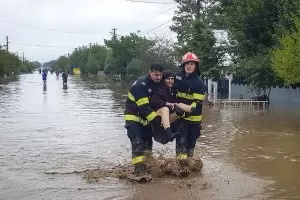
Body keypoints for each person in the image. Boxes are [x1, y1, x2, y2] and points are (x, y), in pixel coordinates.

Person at [124, 64, 167, 175]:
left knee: (148, 145)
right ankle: (139, 172)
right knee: (137, 143)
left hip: (146, 120)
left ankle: (148, 168)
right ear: (149, 72)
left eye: (160, 75)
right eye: (156, 74)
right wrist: (157, 121)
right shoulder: (140, 85)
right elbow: (144, 108)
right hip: (133, 118)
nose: (158, 77)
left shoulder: (159, 84)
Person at [173, 52, 207, 161]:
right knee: (181, 144)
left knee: (190, 148)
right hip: (181, 119)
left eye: (192, 63)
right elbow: (168, 92)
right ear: (183, 65)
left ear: (196, 66)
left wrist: (182, 107)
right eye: (187, 63)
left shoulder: (199, 84)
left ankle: (189, 167)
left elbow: (196, 106)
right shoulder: (176, 77)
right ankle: (180, 169)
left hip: (194, 121)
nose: (189, 66)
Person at [150, 70, 182, 142]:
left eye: (172, 79)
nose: (170, 81)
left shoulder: (172, 90)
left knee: (179, 111)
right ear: (163, 80)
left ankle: (174, 131)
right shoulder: (160, 89)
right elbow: (153, 101)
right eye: (168, 79)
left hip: (165, 119)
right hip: (156, 116)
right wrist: (167, 103)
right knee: (165, 109)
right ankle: (169, 133)